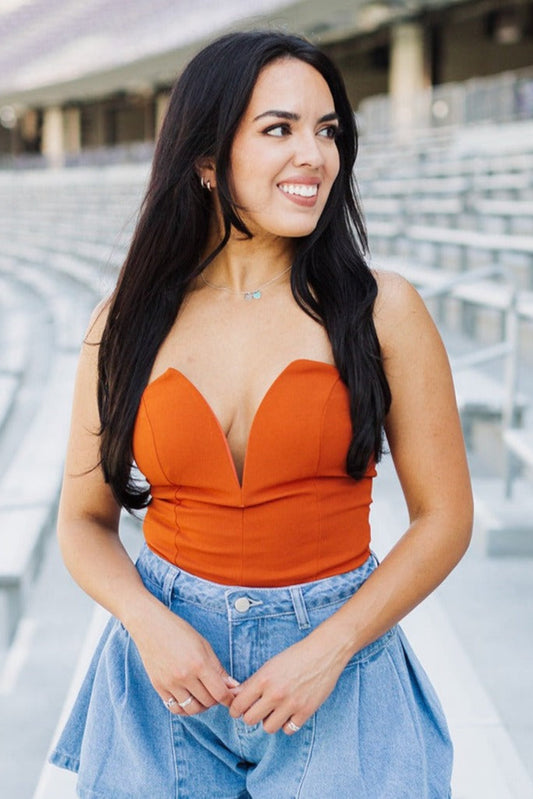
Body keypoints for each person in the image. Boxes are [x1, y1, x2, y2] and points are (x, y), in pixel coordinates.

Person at [50, 30, 472, 798]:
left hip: (338, 672)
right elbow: (82, 521)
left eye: (327, 130)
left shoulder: (382, 309)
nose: (314, 155)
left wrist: (332, 646)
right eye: (279, 129)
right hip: (167, 676)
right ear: (206, 160)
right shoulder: (126, 319)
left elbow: (444, 517)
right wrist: (148, 622)